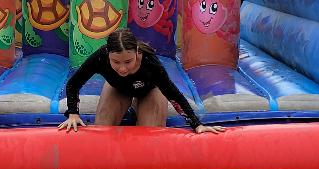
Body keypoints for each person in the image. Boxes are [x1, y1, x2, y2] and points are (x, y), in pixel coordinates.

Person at [59, 28, 226, 134]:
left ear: (137, 52)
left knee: (150, 134)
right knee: (102, 130)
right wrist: (73, 113)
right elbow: (74, 83)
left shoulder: (149, 63)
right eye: (116, 62)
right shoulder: (101, 57)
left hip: (149, 91)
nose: (122, 69)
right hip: (118, 89)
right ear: (108, 54)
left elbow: (172, 93)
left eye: (128, 62)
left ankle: (138, 106)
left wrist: (197, 124)